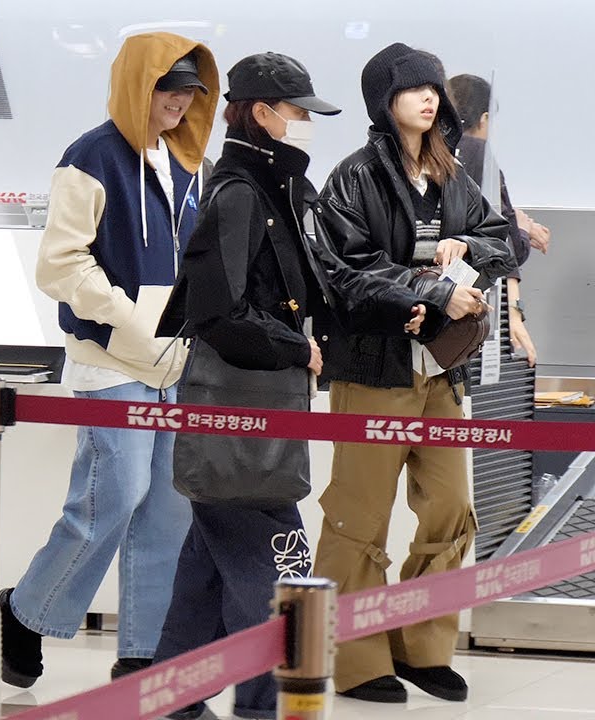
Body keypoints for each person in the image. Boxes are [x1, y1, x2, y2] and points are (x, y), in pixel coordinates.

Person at [150, 53, 435, 720]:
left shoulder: (288, 192)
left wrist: (400, 304)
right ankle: (264, 706)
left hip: (268, 410)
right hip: (233, 411)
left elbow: (330, 277)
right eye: (298, 111)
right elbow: (216, 315)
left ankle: (165, 699)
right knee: (282, 569)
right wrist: (296, 344)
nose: (306, 123)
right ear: (260, 113)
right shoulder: (237, 194)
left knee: (205, 570)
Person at [0, 32, 219, 688]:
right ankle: (25, 611)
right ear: (136, 84)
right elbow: (59, 264)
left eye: (189, 90)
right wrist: (130, 318)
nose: (179, 101)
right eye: (167, 87)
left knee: (170, 506)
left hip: (175, 358)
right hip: (108, 356)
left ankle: (143, 653)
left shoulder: (184, 162)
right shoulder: (89, 157)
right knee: (112, 496)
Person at [313, 43, 516, 704]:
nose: (430, 99)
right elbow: (345, 272)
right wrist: (429, 289)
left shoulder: (451, 173)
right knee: (358, 519)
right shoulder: (352, 177)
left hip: (441, 372)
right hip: (373, 370)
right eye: (413, 90)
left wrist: (472, 249)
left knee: (453, 510)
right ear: (384, 101)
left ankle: (422, 645)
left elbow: (501, 236)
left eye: (434, 89)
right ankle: (355, 657)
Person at [447, 73, 548, 366]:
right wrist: (523, 230)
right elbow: (506, 246)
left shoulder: (436, 153)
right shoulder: (479, 153)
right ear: (485, 117)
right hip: (475, 307)